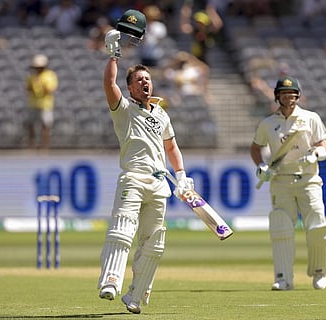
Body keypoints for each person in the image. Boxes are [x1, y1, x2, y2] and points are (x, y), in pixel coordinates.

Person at [97, 15, 194, 314]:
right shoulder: (123, 110)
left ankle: (135, 295)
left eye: (148, 79)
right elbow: (109, 83)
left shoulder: (162, 114)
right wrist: (114, 54)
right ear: (130, 88)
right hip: (133, 178)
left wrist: (181, 176)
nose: (145, 82)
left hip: (159, 183)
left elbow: (171, 147)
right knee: (123, 229)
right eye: (139, 80)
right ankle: (110, 279)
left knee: (155, 243)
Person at [250, 76, 326, 291]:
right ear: (278, 96)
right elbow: (255, 147)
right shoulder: (268, 123)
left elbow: (323, 146)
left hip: (308, 180)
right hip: (281, 181)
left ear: (298, 96)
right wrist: (260, 166)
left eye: (293, 94)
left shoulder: (311, 118)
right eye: (285, 94)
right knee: (281, 227)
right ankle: (283, 278)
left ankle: (319, 272)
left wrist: (316, 154)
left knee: (317, 227)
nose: (290, 97)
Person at [25, 54, 58, 149]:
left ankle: (44, 147)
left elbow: (50, 90)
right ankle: (31, 146)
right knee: (31, 125)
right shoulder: (31, 77)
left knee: (45, 126)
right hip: (33, 103)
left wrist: (40, 84)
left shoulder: (49, 75)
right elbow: (28, 89)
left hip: (45, 105)